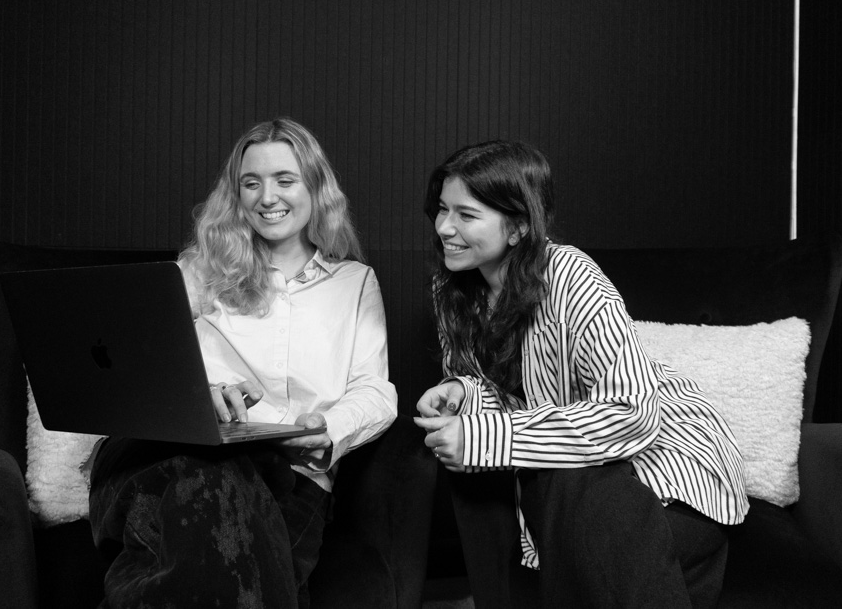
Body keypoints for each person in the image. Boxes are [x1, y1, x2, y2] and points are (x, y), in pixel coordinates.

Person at [414, 140, 748, 608]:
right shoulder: (452, 288)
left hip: (670, 477)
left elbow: (633, 413)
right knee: (554, 477)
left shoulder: (570, 276)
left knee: (572, 480)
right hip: (570, 494)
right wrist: (461, 391)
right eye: (442, 210)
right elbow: (515, 397)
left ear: (518, 228)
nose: (444, 227)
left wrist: (486, 438)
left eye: (466, 215)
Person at [89, 118, 397, 609]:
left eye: (285, 180)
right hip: (170, 459)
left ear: (316, 187)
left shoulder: (354, 282)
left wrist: (328, 428)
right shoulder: (197, 270)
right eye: (250, 183)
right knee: (219, 497)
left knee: (207, 556)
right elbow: (131, 365)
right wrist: (195, 394)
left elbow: (375, 388)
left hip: (291, 475)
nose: (266, 197)